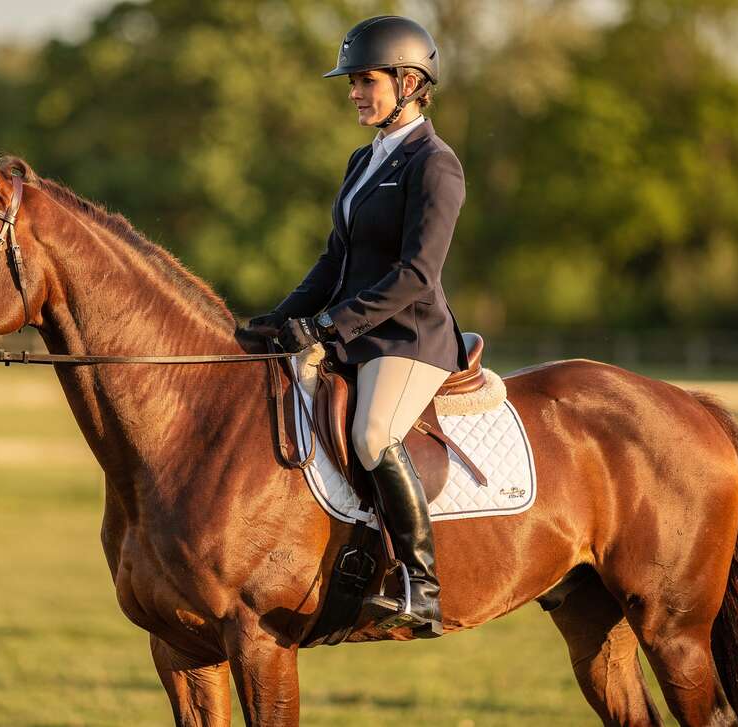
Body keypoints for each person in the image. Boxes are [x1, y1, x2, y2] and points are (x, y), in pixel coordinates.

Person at [249, 15, 468, 639]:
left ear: (409, 82)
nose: (353, 92)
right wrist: (283, 318)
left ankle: (419, 586)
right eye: (351, 82)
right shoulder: (364, 158)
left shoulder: (436, 164)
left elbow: (416, 275)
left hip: (409, 337)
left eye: (365, 80)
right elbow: (334, 260)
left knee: (372, 434)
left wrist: (327, 327)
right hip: (356, 333)